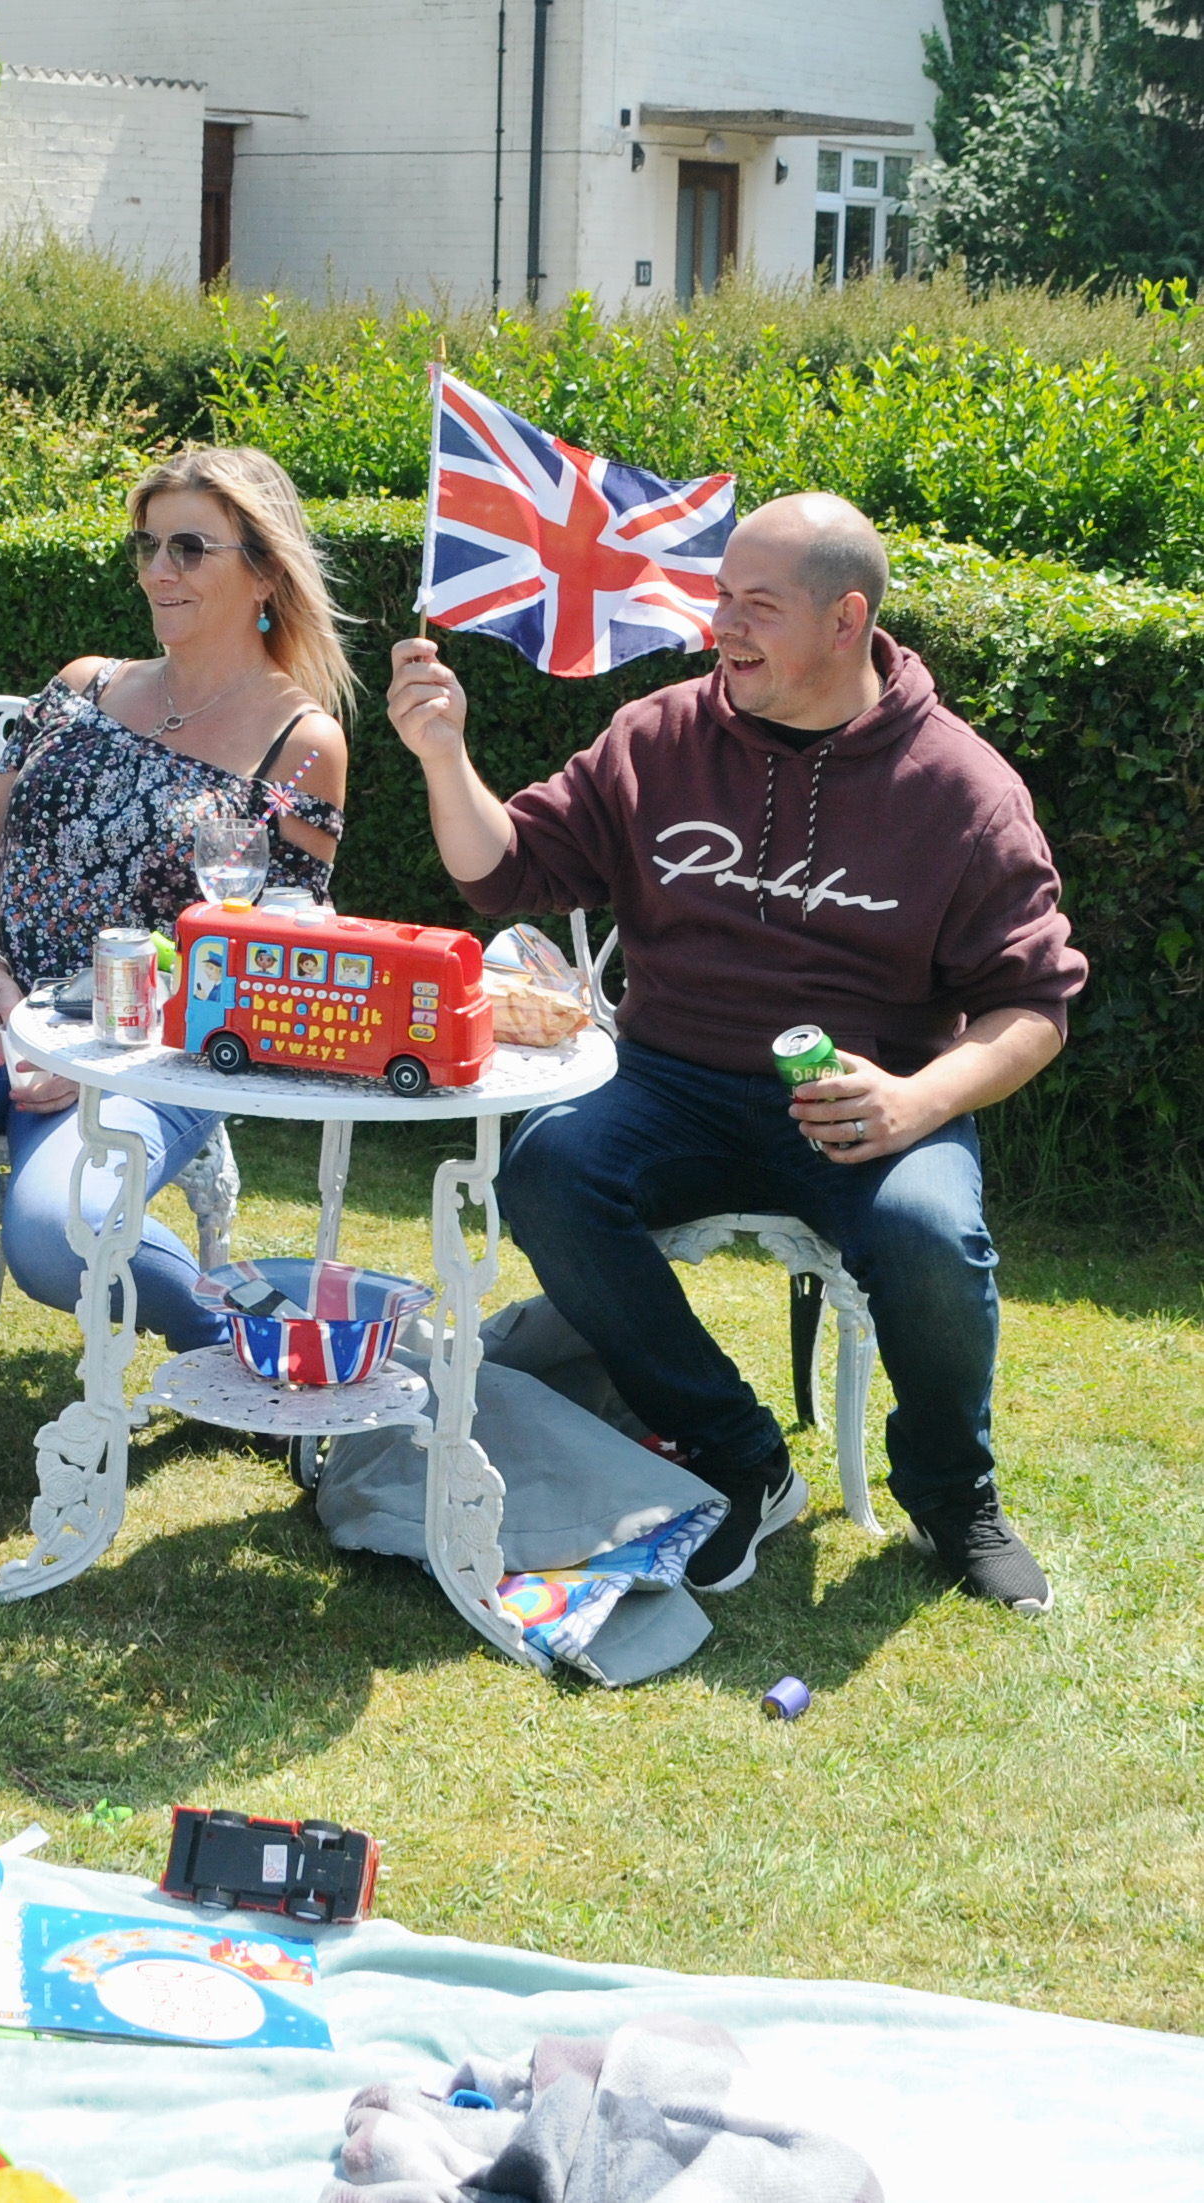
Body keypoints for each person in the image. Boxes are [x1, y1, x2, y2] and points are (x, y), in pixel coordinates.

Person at [385, 492, 1084, 1611]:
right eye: (720, 597)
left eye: (756, 605)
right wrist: (441, 752)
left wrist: (914, 1101)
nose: (724, 626)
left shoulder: (963, 790)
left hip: (872, 1100)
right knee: (547, 1170)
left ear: (847, 618)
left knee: (931, 1235)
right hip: (669, 1086)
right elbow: (511, 870)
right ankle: (737, 1450)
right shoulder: (658, 738)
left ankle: (956, 1499)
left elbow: (1035, 1006)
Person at [0, 446, 352, 1499]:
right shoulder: (82, 687)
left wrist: (95, 1056)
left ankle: (243, 1333)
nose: (160, 570)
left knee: (54, 1238)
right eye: (149, 545)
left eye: (191, 548)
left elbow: (264, 963)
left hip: (148, 1049)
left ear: (262, 572)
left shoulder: (303, 743)